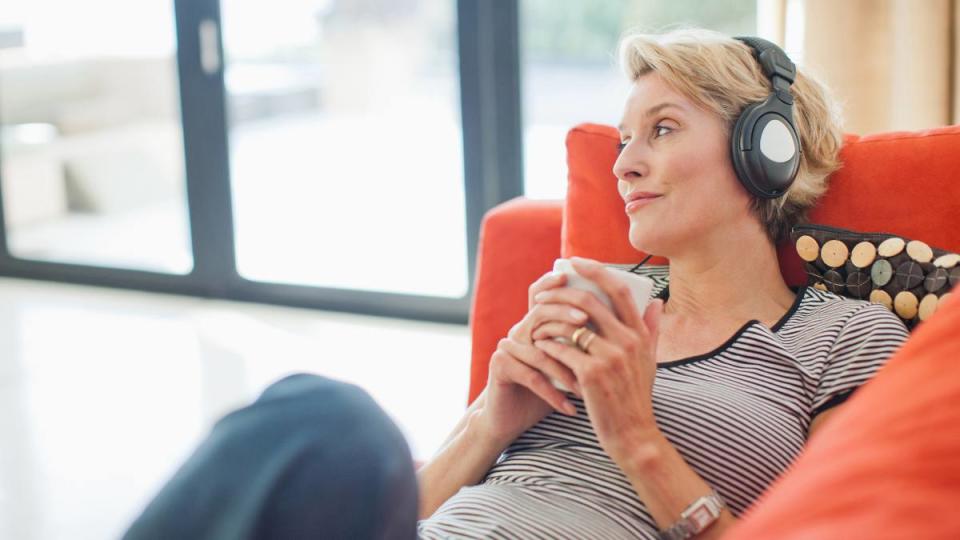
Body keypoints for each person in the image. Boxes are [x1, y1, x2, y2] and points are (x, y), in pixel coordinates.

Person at [123, 28, 911, 540]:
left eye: (662, 130)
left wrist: (636, 436)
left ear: (762, 153)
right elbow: (411, 511)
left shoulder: (849, 340)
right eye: (624, 138)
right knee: (319, 417)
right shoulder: (600, 299)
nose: (625, 162)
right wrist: (492, 420)